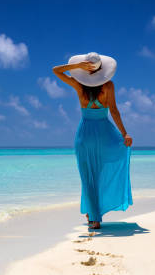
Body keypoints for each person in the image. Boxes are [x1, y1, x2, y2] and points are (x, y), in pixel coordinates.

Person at [53, 52, 133, 229]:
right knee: (100, 174)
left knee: (87, 176)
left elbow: (56, 71)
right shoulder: (108, 86)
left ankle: (93, 216)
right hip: (104, 133)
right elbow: (114, 111)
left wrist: (76, 66)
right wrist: (124, 134)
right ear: (102, 70)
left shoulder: (79, 86)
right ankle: (94, 215)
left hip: (84, 135)